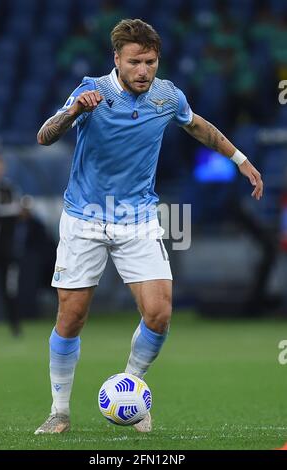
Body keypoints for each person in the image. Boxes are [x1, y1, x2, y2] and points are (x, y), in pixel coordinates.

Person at [34, 19, 263, 435]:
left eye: (151, 62)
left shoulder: (166, 96)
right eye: (135, 62)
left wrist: (241, 161)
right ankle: (59, 411)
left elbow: (198, 126)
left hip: (137, 219)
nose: (144, 70)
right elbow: (44, 136)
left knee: (159, 314)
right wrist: (72, 112)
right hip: (85, 218)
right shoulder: (92, 91)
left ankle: (131, 389)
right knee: (72, 316)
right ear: (117, 59)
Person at [0, 151, 21, 336]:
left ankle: (15, 327)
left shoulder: (8, 188)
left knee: (9, 289)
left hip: (5, 249)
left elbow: (18, 211)